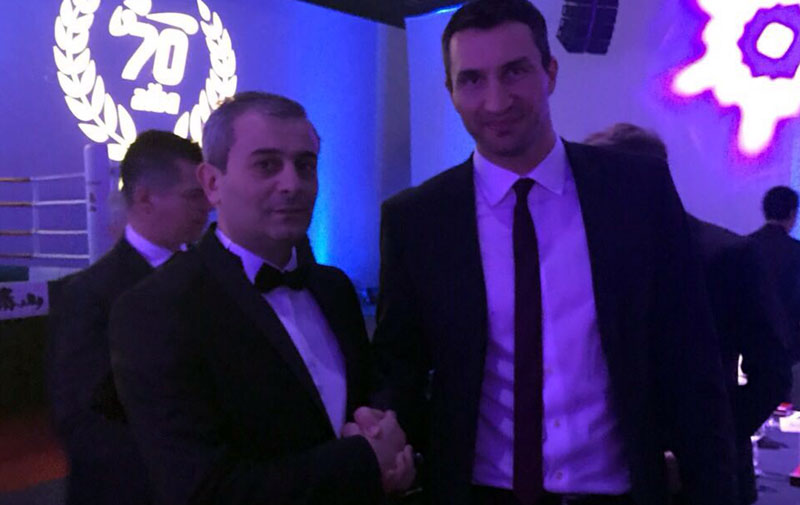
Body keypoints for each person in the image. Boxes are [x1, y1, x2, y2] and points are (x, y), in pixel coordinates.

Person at [368, 1, 737, 504]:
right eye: (472, 79)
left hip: (618, 495)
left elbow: (692, 359)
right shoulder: (417, 219)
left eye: (514, 71)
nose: (496, 101)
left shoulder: (636, 192)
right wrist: (382, 436)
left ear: (551, 72)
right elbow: (400, 365)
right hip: (479, 495)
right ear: (451, 91)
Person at [108, 92, 415, 505]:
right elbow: (201, 491)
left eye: (305, 166)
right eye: (267, 165)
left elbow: (364, 407)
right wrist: (365, 461)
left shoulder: (334, 289)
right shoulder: (156, 310)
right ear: (212, 183)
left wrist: (391, 451)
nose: (292, 184)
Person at [586, 122, 791, 505]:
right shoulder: (589, 258)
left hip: (703, 480)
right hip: (607, 477)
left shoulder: (727, 256)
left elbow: (772, 375)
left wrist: (701, 446)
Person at [48, 130, 211, 505]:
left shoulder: (212, 277)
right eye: (194, 195)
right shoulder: (88, 294)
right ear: (145, 198)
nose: (207, 206)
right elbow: (83, 423)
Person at [748, 186, 800, 360]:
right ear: (793, 213)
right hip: (791, 344)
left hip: (752, 342)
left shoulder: (744, 246)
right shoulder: (796, 251)